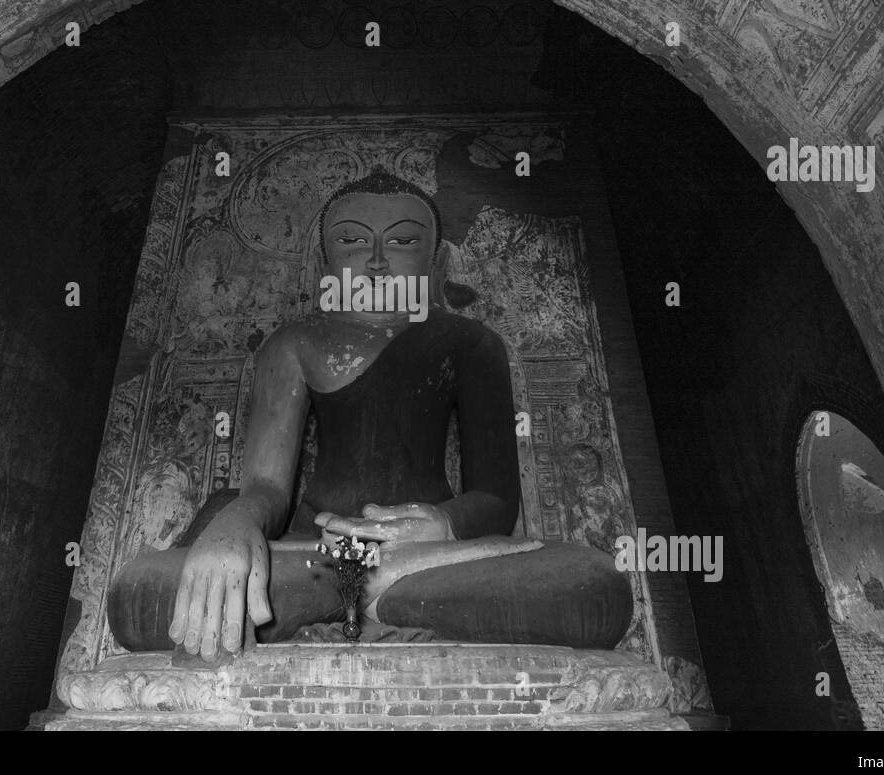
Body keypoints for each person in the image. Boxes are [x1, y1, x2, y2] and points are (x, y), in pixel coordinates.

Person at [107, 170, 633, 661]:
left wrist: (444, 524)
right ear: (324, 266)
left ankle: (368, 592)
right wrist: (235, 527)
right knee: (141, 591)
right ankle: (375, 593)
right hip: (315, 552)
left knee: (591, 585)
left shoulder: (470, 343)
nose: (378, 260)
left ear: (437, 264)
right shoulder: (296, 343)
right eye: (353, 241)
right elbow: (265, 486)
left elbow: (495, 500)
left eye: (403, 242)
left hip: (429, 554)